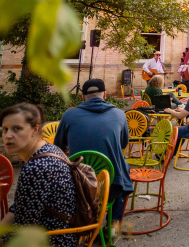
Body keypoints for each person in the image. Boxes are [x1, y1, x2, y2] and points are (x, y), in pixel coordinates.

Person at [54, 78, 132, 234]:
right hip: (110, 186)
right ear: (105, 95)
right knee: (124, 168)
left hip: (78, 185)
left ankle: (82, 220)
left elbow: (58, 147)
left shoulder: (69, 115)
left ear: (83, 97)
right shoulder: (119, 114)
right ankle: (113, 224)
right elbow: (123, 144)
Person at [0, 103, 77, 246]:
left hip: (55, 238)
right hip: (62, 231)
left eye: (17, 128)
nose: (8, 135)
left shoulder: (37, 168)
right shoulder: (46, 149)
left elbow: (24, 228)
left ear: (35, 130)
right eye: (5, 129)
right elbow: (19, 207)